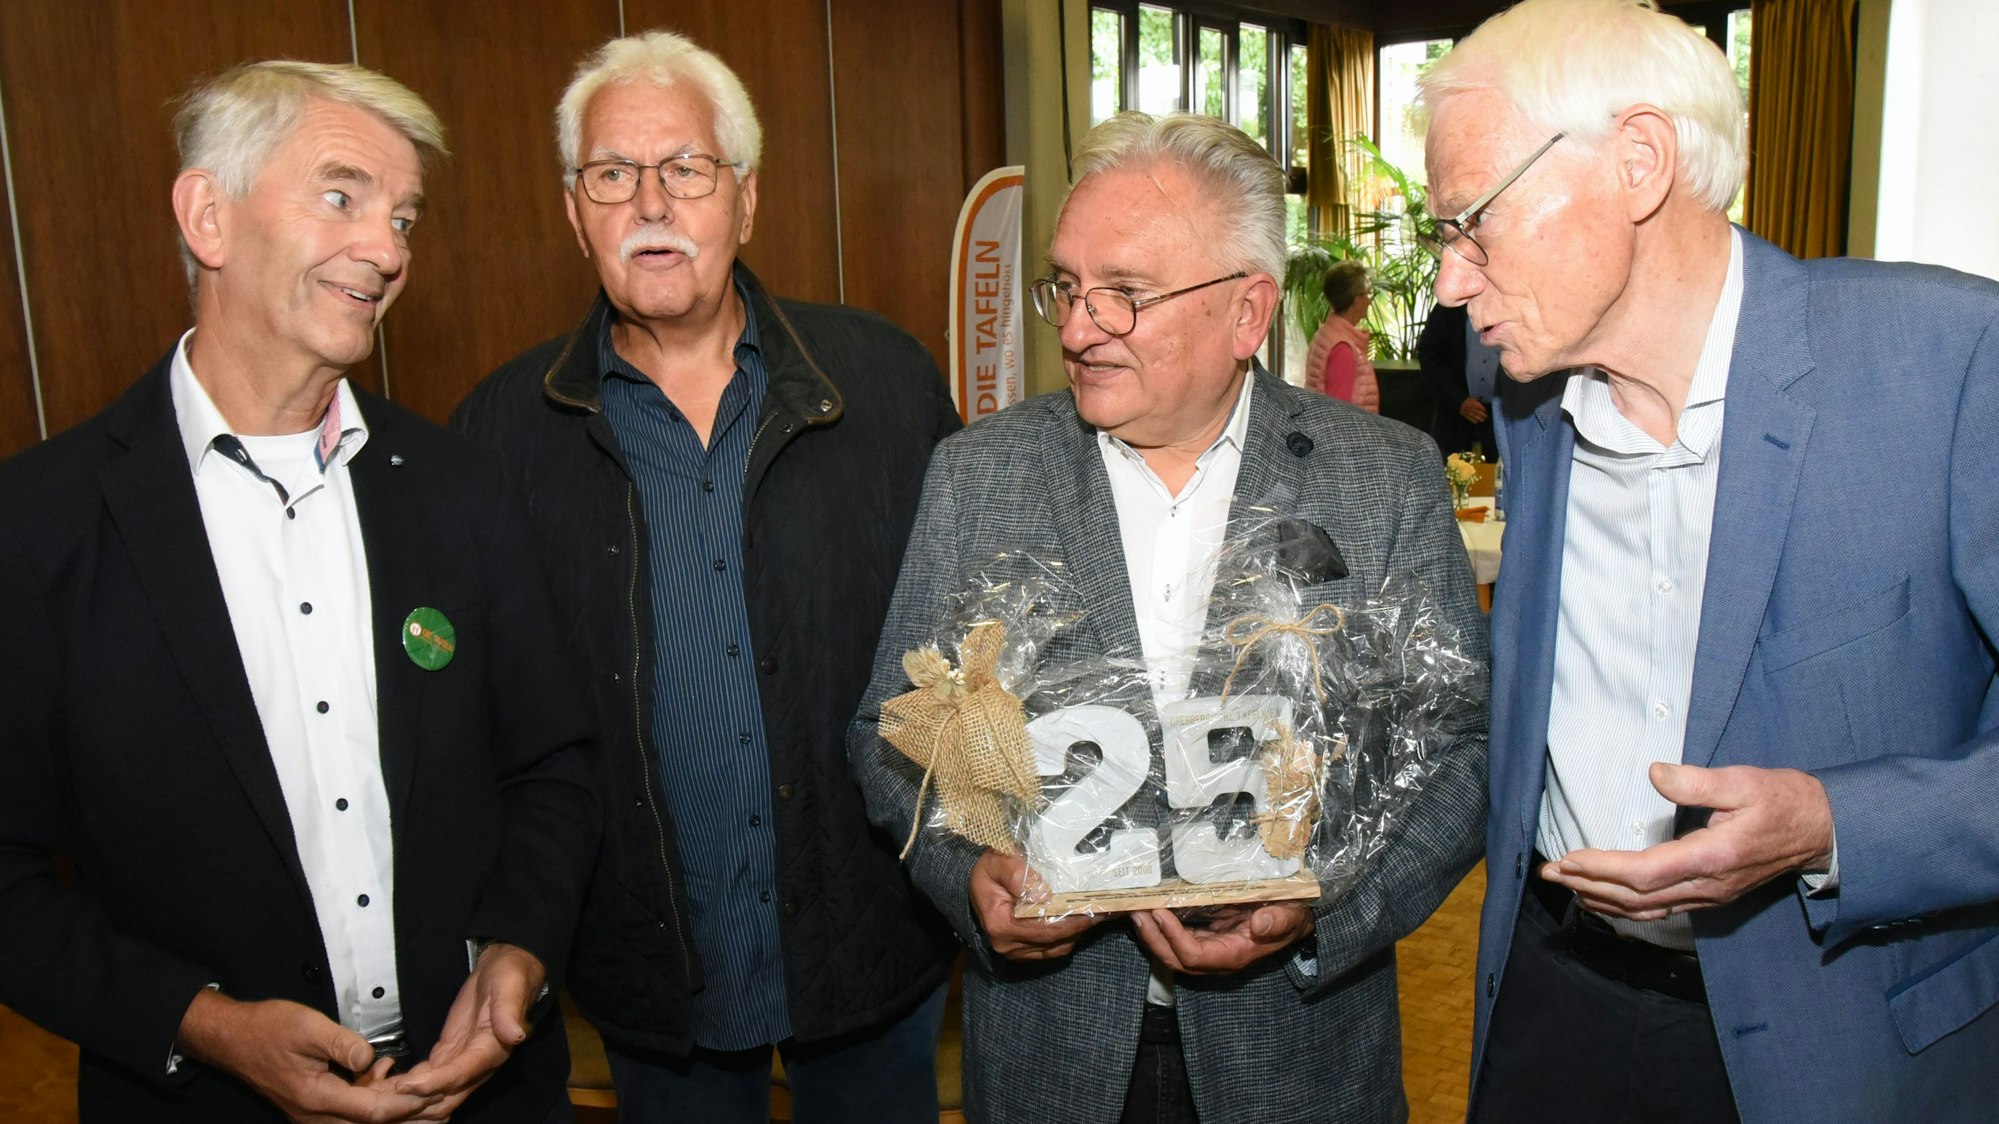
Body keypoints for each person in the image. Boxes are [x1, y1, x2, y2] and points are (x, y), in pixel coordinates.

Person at [1419, 2, 1999, 1121]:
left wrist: (1838, 824)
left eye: (1472, 222)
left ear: (1638, 161)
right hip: (1549, 1000)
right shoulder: (1526, 390)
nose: (1450, 283)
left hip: (1840, 1040)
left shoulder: (1946, 366)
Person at [849, 111, 1488, 1124]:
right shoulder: (979, 473)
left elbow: (1457, 751)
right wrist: (965, 874)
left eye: (1125, 295)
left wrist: (1320, 907)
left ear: (1245, 313)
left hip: (1298, 1051)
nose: (1075, 325)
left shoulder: (1385, 478)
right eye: (1066, 284)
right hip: (1051, 1050)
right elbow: (891, 731)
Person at [0, 61, 599, 1123]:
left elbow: (554, 763)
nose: (388, 250)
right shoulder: (42, 523)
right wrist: (207, 1023)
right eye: (342, 195)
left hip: (482, 1094)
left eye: (405, 216)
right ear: (208, 216)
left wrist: (520, 950)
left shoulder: (460, 487)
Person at [450, 30, 961, 1124]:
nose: (650, 202)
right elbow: (491, 723)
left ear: (745, 196)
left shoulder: (884, 382)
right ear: (572, 208)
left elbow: (968, 648)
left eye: (685, 169)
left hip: (870, 940)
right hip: (649, 968)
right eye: (611, 174)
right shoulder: (496, 434)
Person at [1414, 301, 1499, 457]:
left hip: (1504, 418)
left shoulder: (1517, 304)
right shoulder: (1452, 306)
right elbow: (1429, 356)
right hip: (1455, 418)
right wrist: (1458, 400)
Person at [1303, 259, 1380, 411]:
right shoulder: (1342, 348)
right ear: (1356, 301)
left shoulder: (1327, 334)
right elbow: (1340, 414)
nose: (1370, 301)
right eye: (1367, 294)